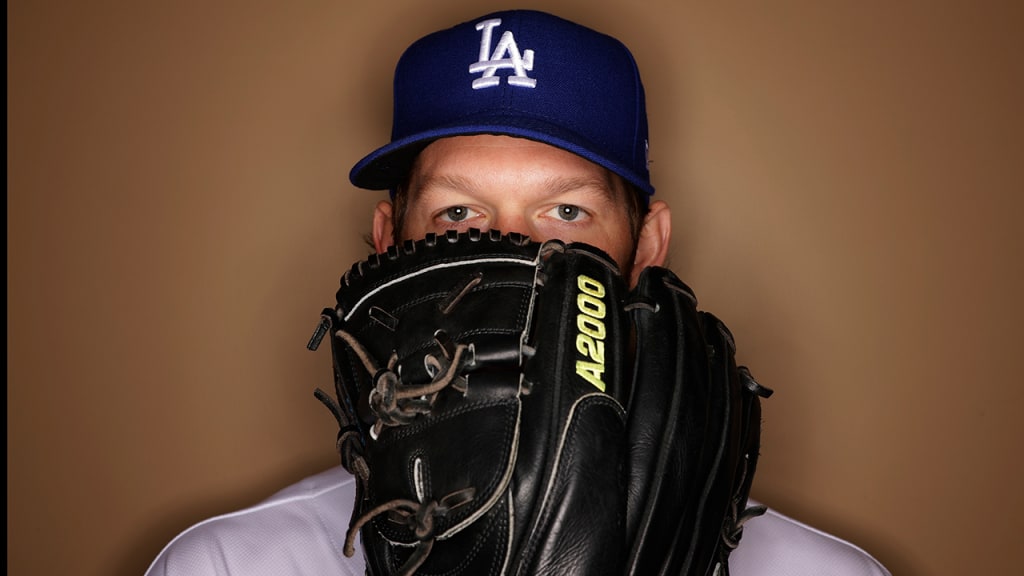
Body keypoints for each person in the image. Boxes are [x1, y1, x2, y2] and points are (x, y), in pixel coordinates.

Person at [145, 9, 891, 576]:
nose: (515, 251)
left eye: (567, 213)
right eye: (458, 214)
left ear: (647, 250)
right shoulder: (228, 565)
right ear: (387, 242)